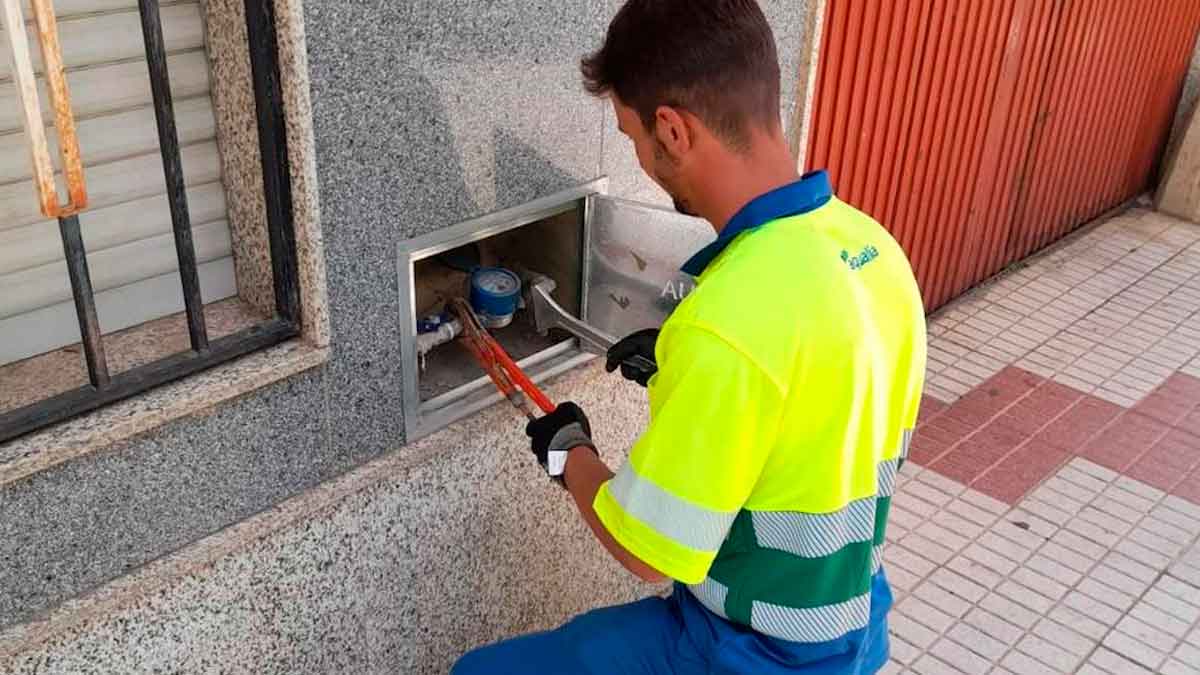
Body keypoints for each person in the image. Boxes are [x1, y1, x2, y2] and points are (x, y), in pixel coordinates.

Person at [453, 0, 926, 672]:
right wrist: (689, 382)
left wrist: (571, 454)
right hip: (851, 622)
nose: (641, 158)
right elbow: (808, 407)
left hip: (751, 651)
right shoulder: (873, 251)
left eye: (632, 136)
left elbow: (646, 551)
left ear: (671, 130)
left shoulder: (729, 320)